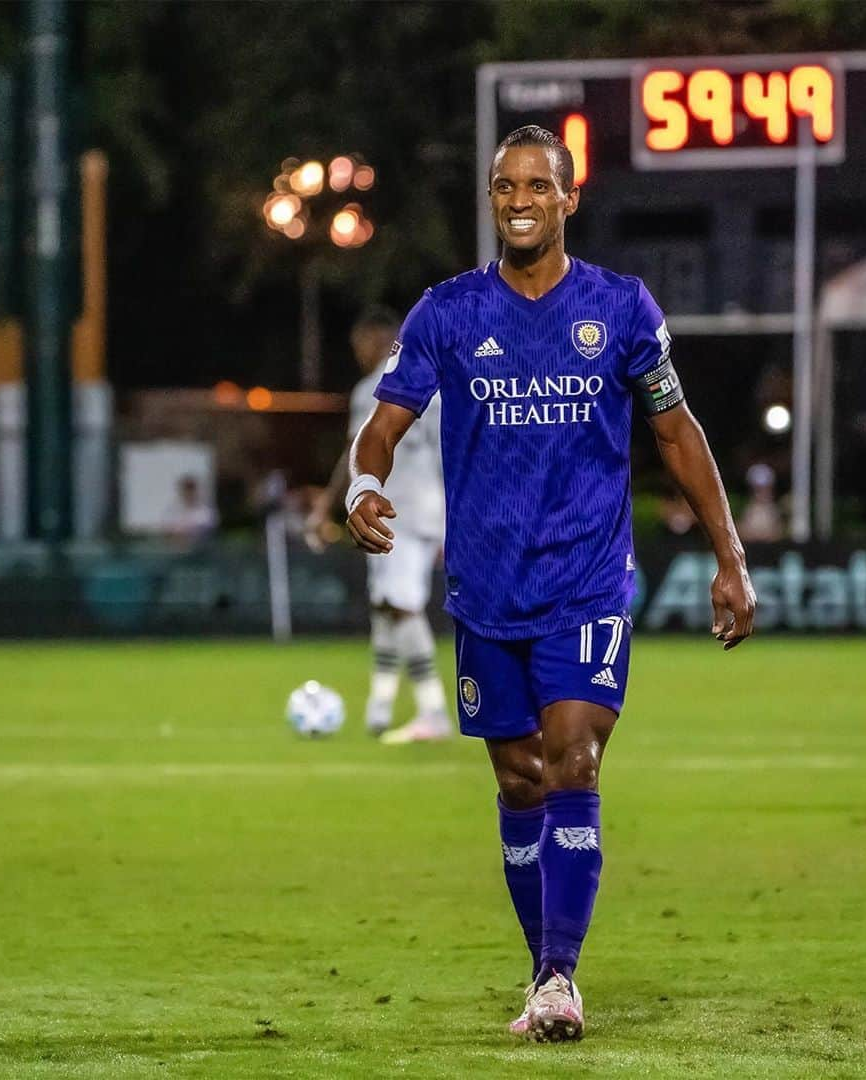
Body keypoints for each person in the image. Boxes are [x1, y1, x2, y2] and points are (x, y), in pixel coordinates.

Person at [344, 126, 756, 1041]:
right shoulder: (448, 313)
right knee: (521, 778)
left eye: (538, 185)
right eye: (503, 186)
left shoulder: (619, 308)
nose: (519, 199)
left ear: (570, 199)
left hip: (587, 583)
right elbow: (384, 427)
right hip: (488, 592)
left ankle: (560, 976)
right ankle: (544, 970)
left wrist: (729, 555)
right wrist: (364, 482)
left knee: (574, 756)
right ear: (492, 200)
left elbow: (676, 432)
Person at [307, 306, 450, 744]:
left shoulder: (372, 388)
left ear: (378, 340)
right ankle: (380, 705)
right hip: (428, 507)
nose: (358, 353)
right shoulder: (434, 386)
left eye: (361, 344)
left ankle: (433, 711)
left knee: (400, 605)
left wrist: (325, 507)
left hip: (394, 512)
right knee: (385, 606)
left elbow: (355, 452)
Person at [161, 474, 218, 549]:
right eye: (186, 490)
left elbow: (208, 532)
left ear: (196, 491)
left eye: (191, 490)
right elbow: (167, 531)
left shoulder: (206, 512)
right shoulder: (172, 511)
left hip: (200, 551)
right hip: (177, 551)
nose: (188, 494)